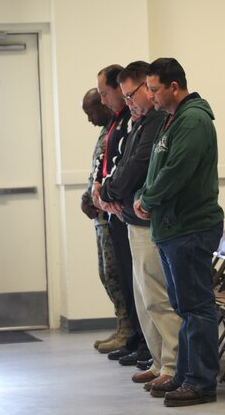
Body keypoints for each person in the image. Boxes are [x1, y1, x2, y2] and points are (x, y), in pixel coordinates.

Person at [133, 58, 224, 407]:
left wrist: (149, 199)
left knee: (197, 308)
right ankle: (185, 375)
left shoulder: (194, 120)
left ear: (174, 87)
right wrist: (143, 196)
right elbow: (157, 169)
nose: (150, 95)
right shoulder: (173, 120)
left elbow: (177, 170)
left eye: (154, 89)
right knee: (185, 307)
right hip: (173, 228)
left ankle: (201, 382)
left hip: (190, 227)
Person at [97, 61, 180, 389]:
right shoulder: (140, 123)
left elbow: (138, 169)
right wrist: (108, 191)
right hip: (132, 218)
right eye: (126, 95)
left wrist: (110, 191)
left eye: (132, 93)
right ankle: (159, 361)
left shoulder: (158, 121)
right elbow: (124, 165)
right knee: (145, 300)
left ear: (148, 87)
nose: (128, 100)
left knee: (158, 299)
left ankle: (172, 366)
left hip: (148, 222)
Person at [93, 64, 141, 356]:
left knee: (135, 281)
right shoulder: (116, 121)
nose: (103, 100)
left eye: (104, 93)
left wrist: (109, 193)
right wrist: (99, 191)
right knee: (123, 277)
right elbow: (107, 163)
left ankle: (140, 339)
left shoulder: (132, 121)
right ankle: (135, 336)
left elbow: (128, 165)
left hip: (127, 210)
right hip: (115, 209)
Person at [79, 89, 129, 351]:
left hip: (111, 212)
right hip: (100, 212)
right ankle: (122, 325)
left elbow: (113, 169)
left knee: (115, 273)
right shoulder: (108, 129)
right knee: (106, 273)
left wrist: (93, 196)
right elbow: (98, 169)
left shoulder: (122, 126)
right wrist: (88, 197)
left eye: (90, 112)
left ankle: (128, 329)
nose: (89, 118)